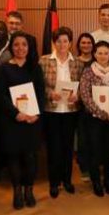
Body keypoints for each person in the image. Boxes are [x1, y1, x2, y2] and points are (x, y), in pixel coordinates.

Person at [0, 32, 45, 209]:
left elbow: (40, 93)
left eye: (24, 44)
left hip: (32, 120)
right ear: (11, 47)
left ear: (29, 48)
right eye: (16, 44)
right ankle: (17, 191)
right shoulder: (4, 68)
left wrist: (36, 114)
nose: (20, 48)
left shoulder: (35, 68)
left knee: (30, 157)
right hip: (11, 120)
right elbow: (0, 96)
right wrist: (16, 114)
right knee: (13, 157)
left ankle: (28, 190)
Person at [39, 27, 84, 198]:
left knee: (67, 148)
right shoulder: (43, 61)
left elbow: (83, 85)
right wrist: (50, 94)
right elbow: (38, 85)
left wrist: (77, 96)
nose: (62, 44)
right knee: (53, 148)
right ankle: (54, 183)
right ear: (54, 42)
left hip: (71, 111)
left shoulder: (78, 63)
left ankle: (67, 180)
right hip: (51, 111)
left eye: (66, 41)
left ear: (71, 43)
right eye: (59, 41)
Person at [79, 41, 109, 197]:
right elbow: (85, 95)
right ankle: (96, 180)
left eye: (106, 53)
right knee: (95, 151)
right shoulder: (88, 72)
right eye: (99, 53)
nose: (103, 56)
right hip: (93, 118)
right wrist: (101, 112)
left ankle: (108, 180)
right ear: (94, 54)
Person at [75, 32, 95, 181]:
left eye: (89, 42)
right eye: (83, 42)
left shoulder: (98, 61)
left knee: (96, 138)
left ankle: (96, 165)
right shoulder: (74, 62)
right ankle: (84, 167)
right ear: (78, 45)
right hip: (79, 106)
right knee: (83, 138)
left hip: (97, 106)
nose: (86, 45)